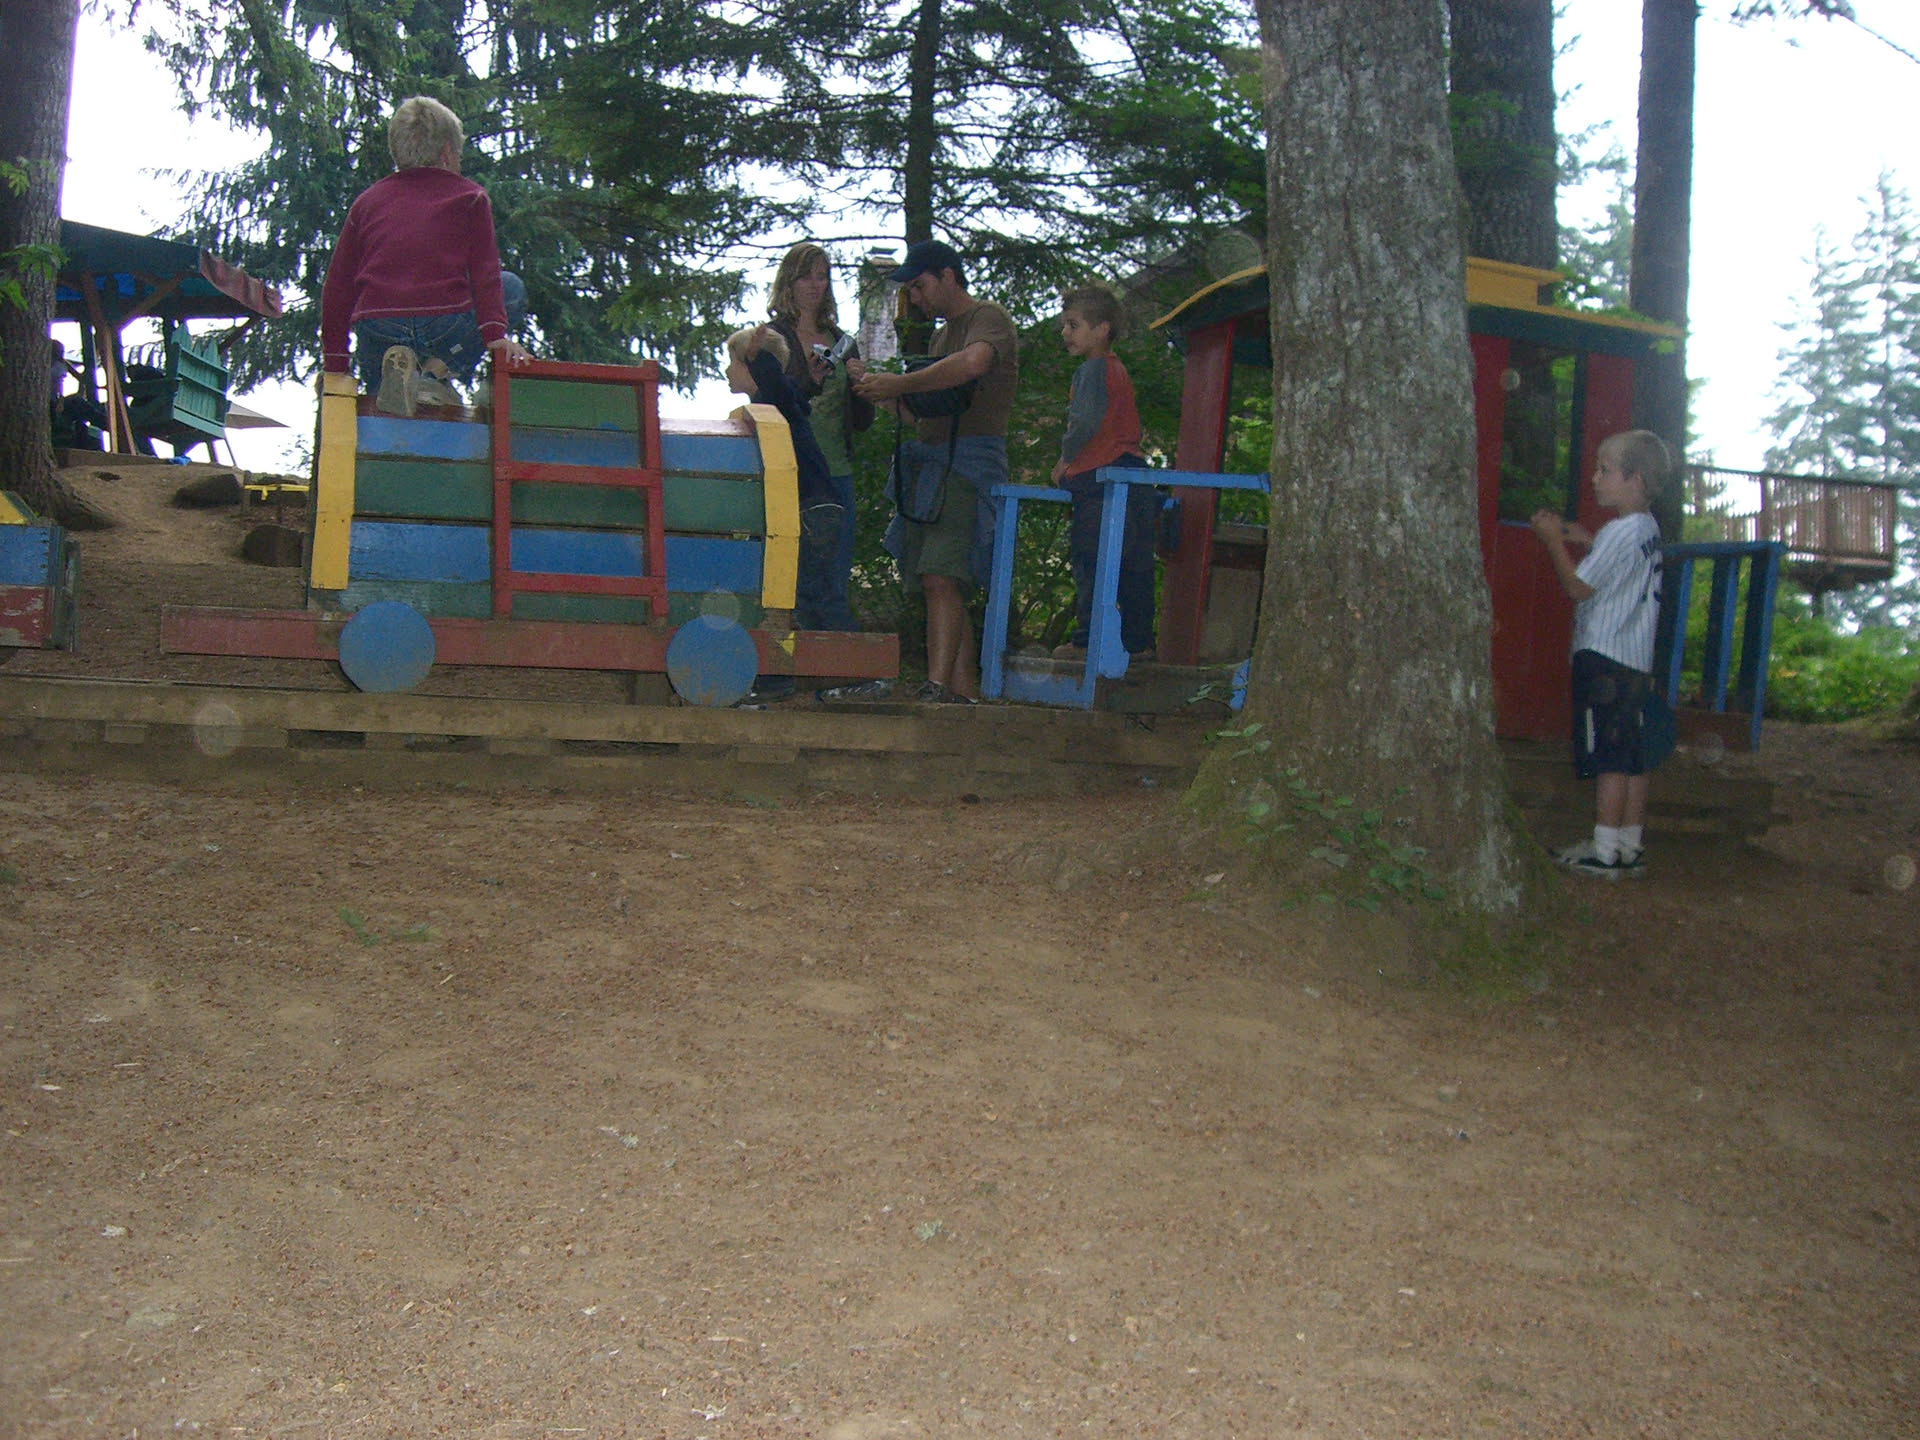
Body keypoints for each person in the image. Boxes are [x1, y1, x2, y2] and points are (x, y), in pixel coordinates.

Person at [853, 240, 1018, 704]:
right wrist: (877, 392)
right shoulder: (941, 339)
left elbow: (974, 363)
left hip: (970, 465)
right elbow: (920, 418)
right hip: (932, 466)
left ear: (948, 275)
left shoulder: (988, 318)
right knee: (939, 583)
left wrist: (900, 382)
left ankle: (938, 686)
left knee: (941, 575)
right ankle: (963, 696)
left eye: (920, 286)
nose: (916, 298)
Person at [320, 96, 531, 411]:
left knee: (383, 392)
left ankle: (389, 386)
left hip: (379, 327)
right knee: (510, 288)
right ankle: (435, 374)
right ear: (446, 153)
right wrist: (494, 335)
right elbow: (485, 273)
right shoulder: (470, 197)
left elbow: (338, 288)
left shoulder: (366, 203)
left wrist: (336, 363)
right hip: (443, 325)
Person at [1530, 429, 1672, 879]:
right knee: (1633, 755)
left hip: (1603, 655)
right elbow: (1619, 562)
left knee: (1609, 755)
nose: (1594, 478)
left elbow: (1578, 587)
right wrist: (1587, 539)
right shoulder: (1646, 527)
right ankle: (1629, 845)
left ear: (1635, 480)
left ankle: (1603, 849)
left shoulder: (1618, 531)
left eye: (1604, 470)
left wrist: (1553, 540)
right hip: (1635, 659)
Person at [766, 243, 874, 632]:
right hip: (789, 468)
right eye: (806, 276)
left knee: (833, 577)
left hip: (837, 470)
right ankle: (795, 658)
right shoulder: (773, 337)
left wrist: (862, 385)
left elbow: (862, 421)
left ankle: (833, 658)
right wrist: (808, 381)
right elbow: (768, 400)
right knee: (793, 578)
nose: (815, 285)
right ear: (789, 282)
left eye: (822, 276)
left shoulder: (842, 340)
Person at [1050, 285, 1154, 662]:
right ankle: (1138, 644)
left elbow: (1084, 421)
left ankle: (1086, 641)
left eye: (1074, 325)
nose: (1066, 333)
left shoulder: (1092, 370)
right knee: (1133, 564)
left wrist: (1065, 461)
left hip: (1099, 476)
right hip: (1131, 473)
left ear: (1102, 329)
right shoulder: (1116, 369)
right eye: (1065, 325)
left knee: (1092, 559)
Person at [725, 325, 844, 648]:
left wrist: (758, 356)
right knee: (798, 593)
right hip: (806, 508)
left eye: (733, 362)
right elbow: (794, 394)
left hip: (809, 509)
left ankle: (838, 660)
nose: (726, 370)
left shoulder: (773, 399)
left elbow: (777, 385)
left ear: (753, 366)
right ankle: (800, 661)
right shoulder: (778, 404)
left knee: (808, 594)